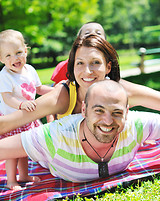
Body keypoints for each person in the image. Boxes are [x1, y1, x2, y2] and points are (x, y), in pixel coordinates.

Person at [0, 80, 160, 182]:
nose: (108, 121)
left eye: (117, 112)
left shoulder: (135, 125)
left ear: (127, 112)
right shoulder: (57, 135)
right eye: (99, 110)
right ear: (84, 109)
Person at [0, 34, 160, 135]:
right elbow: (7, 124)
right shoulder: (63, 95)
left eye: (95, 62)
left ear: (108, 67)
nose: (88, 71)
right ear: (72, 67)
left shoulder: (122, 91)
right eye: (80, 63)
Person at [0, 29, 53, 189]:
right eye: (8, 55)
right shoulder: (5, 75)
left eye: (18, 52)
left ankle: (23, 175)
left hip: (27, 118)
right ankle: (11, 180)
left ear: (26, 51)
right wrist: (21, 104)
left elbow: (39, 88)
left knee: (23, 148)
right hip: (13, 119)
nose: (14, 58)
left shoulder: (29, 70)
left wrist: (57, 91)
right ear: (1, 58)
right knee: (11, 152)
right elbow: (7, 97)